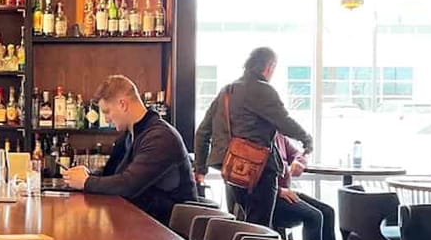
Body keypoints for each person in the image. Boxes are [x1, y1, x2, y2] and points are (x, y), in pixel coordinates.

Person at [194, 47, 313, 227]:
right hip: (259, 171)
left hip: (231, 169)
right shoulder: (264, 90)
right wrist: (306, 140)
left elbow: (203, 132)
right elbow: (284, 122)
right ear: (270, 66)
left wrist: (200, 169)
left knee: (240, 226)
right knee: (260, 230)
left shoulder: (226, 92)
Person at [63, 74, 197, 223]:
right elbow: (111, 173)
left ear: (122, 104)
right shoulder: (129, 136)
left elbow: (128, 185)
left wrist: (86, 182)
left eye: (107, 111)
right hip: (143, 223)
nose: (106, 119)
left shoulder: (160, 137)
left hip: (170, 233)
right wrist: (86, 174)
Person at [271, 131, 338, 240]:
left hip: (286, 192)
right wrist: (277, 190)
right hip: (270, 197)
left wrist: (298, 161)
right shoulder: (260, 138)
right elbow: (253, 181)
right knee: (314, 216)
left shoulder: (280, 136)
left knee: (327, 211)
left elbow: (298, 154)